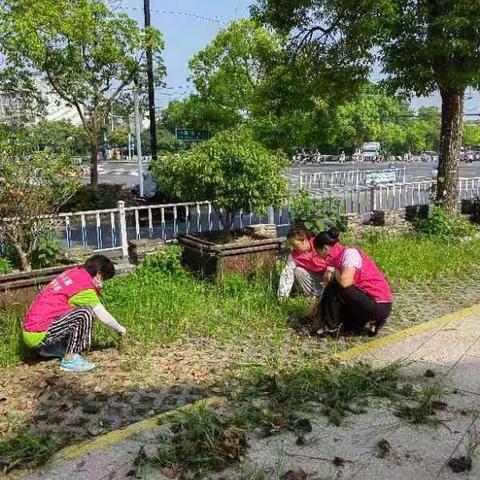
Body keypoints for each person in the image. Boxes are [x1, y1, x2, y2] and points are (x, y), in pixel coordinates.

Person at [22, 255, 127, 373]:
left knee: (71, 312)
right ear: (98, 275)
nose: (103, 283)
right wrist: (120, 329)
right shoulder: (85, 288)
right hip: (39, 334)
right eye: (104, 279)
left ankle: (50, 348)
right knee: (84, 313)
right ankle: (70, 359)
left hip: (31, 330)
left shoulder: (73, 274)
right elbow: (103, 316)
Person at [311, 228, 393, 336]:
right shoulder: (339, 256)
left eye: (318, 252)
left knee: (335, 286)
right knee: (347, 327)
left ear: (326, 248)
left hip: (378, 303)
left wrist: (334, 270)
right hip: (369, 301)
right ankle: (371, 322)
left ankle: (331, 328)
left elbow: (346, 283)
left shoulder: (350, 254)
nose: (318, 256)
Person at [278, 229, 326, 300]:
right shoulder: (294, 255)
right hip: (316, 278)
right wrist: (282, 296)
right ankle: (315, 296)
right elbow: (287, 274)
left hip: (330, 275)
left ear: (303, 240)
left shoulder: (318, 243)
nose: (292, 248)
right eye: (291, 245)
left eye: (294, 245)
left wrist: (329, 269)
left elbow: (334, 257)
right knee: (298, 270)